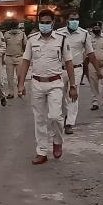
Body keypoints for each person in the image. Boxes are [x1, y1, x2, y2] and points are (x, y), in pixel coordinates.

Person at [17, 9, 77, 165]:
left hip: (55, 83)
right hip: (36, 83)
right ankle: (41, 152)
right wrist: (21, 84)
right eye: (42, 22)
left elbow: (69, 63)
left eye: (47, 22)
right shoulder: (32, 40)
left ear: (53, 23)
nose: (44, 25)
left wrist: (73, 86)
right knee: (39, 119)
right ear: (39, 23)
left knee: (55, 116)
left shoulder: (62, 40)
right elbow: (25, 62)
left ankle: (57, 141)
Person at [55, 11, 95, 135]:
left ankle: (69, 123)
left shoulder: (84, 34)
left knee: (72, 95)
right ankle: (60, 118)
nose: (74, 21)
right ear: (67, 20)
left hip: (77, 68)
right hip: (60, 69)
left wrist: (97, 69)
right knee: (58, 96)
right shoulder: (58, 33)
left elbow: (90, 52)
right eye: (72, 19)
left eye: (76, 19)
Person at [88, 22, 103, 110]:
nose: (96, 30)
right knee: (93, 83)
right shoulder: (89, 38)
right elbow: (87, 51)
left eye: (97, 28)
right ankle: (95, 102)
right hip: (92, 64)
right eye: (94, 28)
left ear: (101, 28)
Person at [4, 22, 27, 99]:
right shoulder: (6, 34)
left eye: (15, 27)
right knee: (9, 76)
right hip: (9, 57)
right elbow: (4, 45)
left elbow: (25, 45)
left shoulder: (22, 34)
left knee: (20, 75)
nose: (14, 29)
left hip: (19, 57)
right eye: (12, 28)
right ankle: (11, 93)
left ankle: (21, 88)